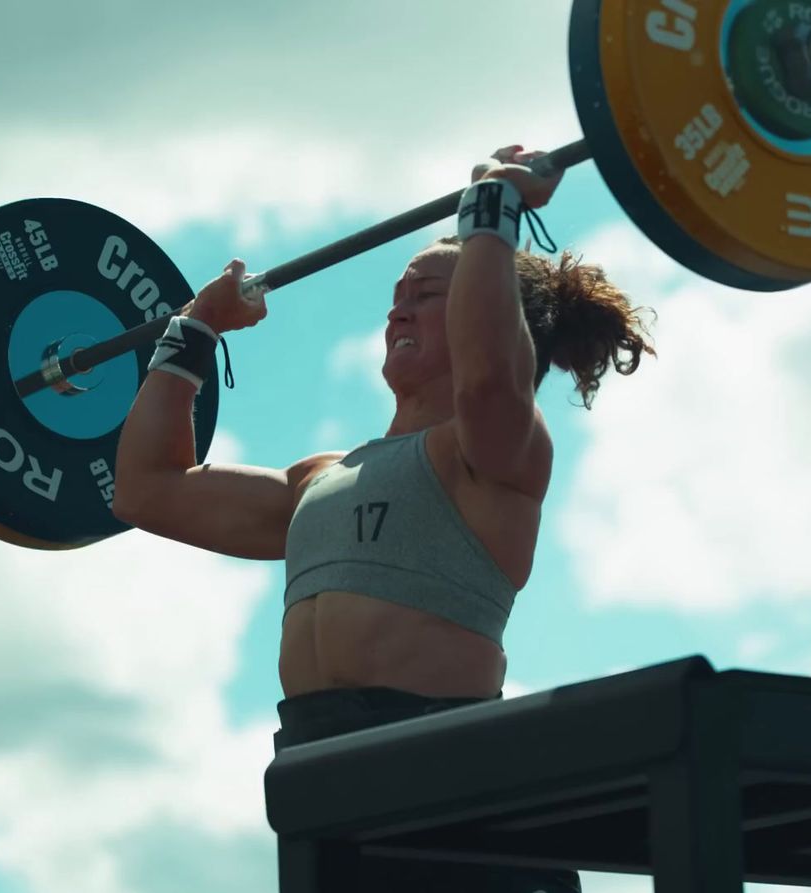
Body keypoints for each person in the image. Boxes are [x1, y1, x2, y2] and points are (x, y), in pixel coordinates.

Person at [111, 145, 655, 891]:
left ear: (484, 309)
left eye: (429, 293)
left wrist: (494, 209)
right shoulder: (318, 479)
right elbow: (145, 487)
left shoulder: (493, 454)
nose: (399, 304)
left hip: (454, 795)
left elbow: (494, 373)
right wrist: (197, 327)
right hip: (321, 786)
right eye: (397, 291)